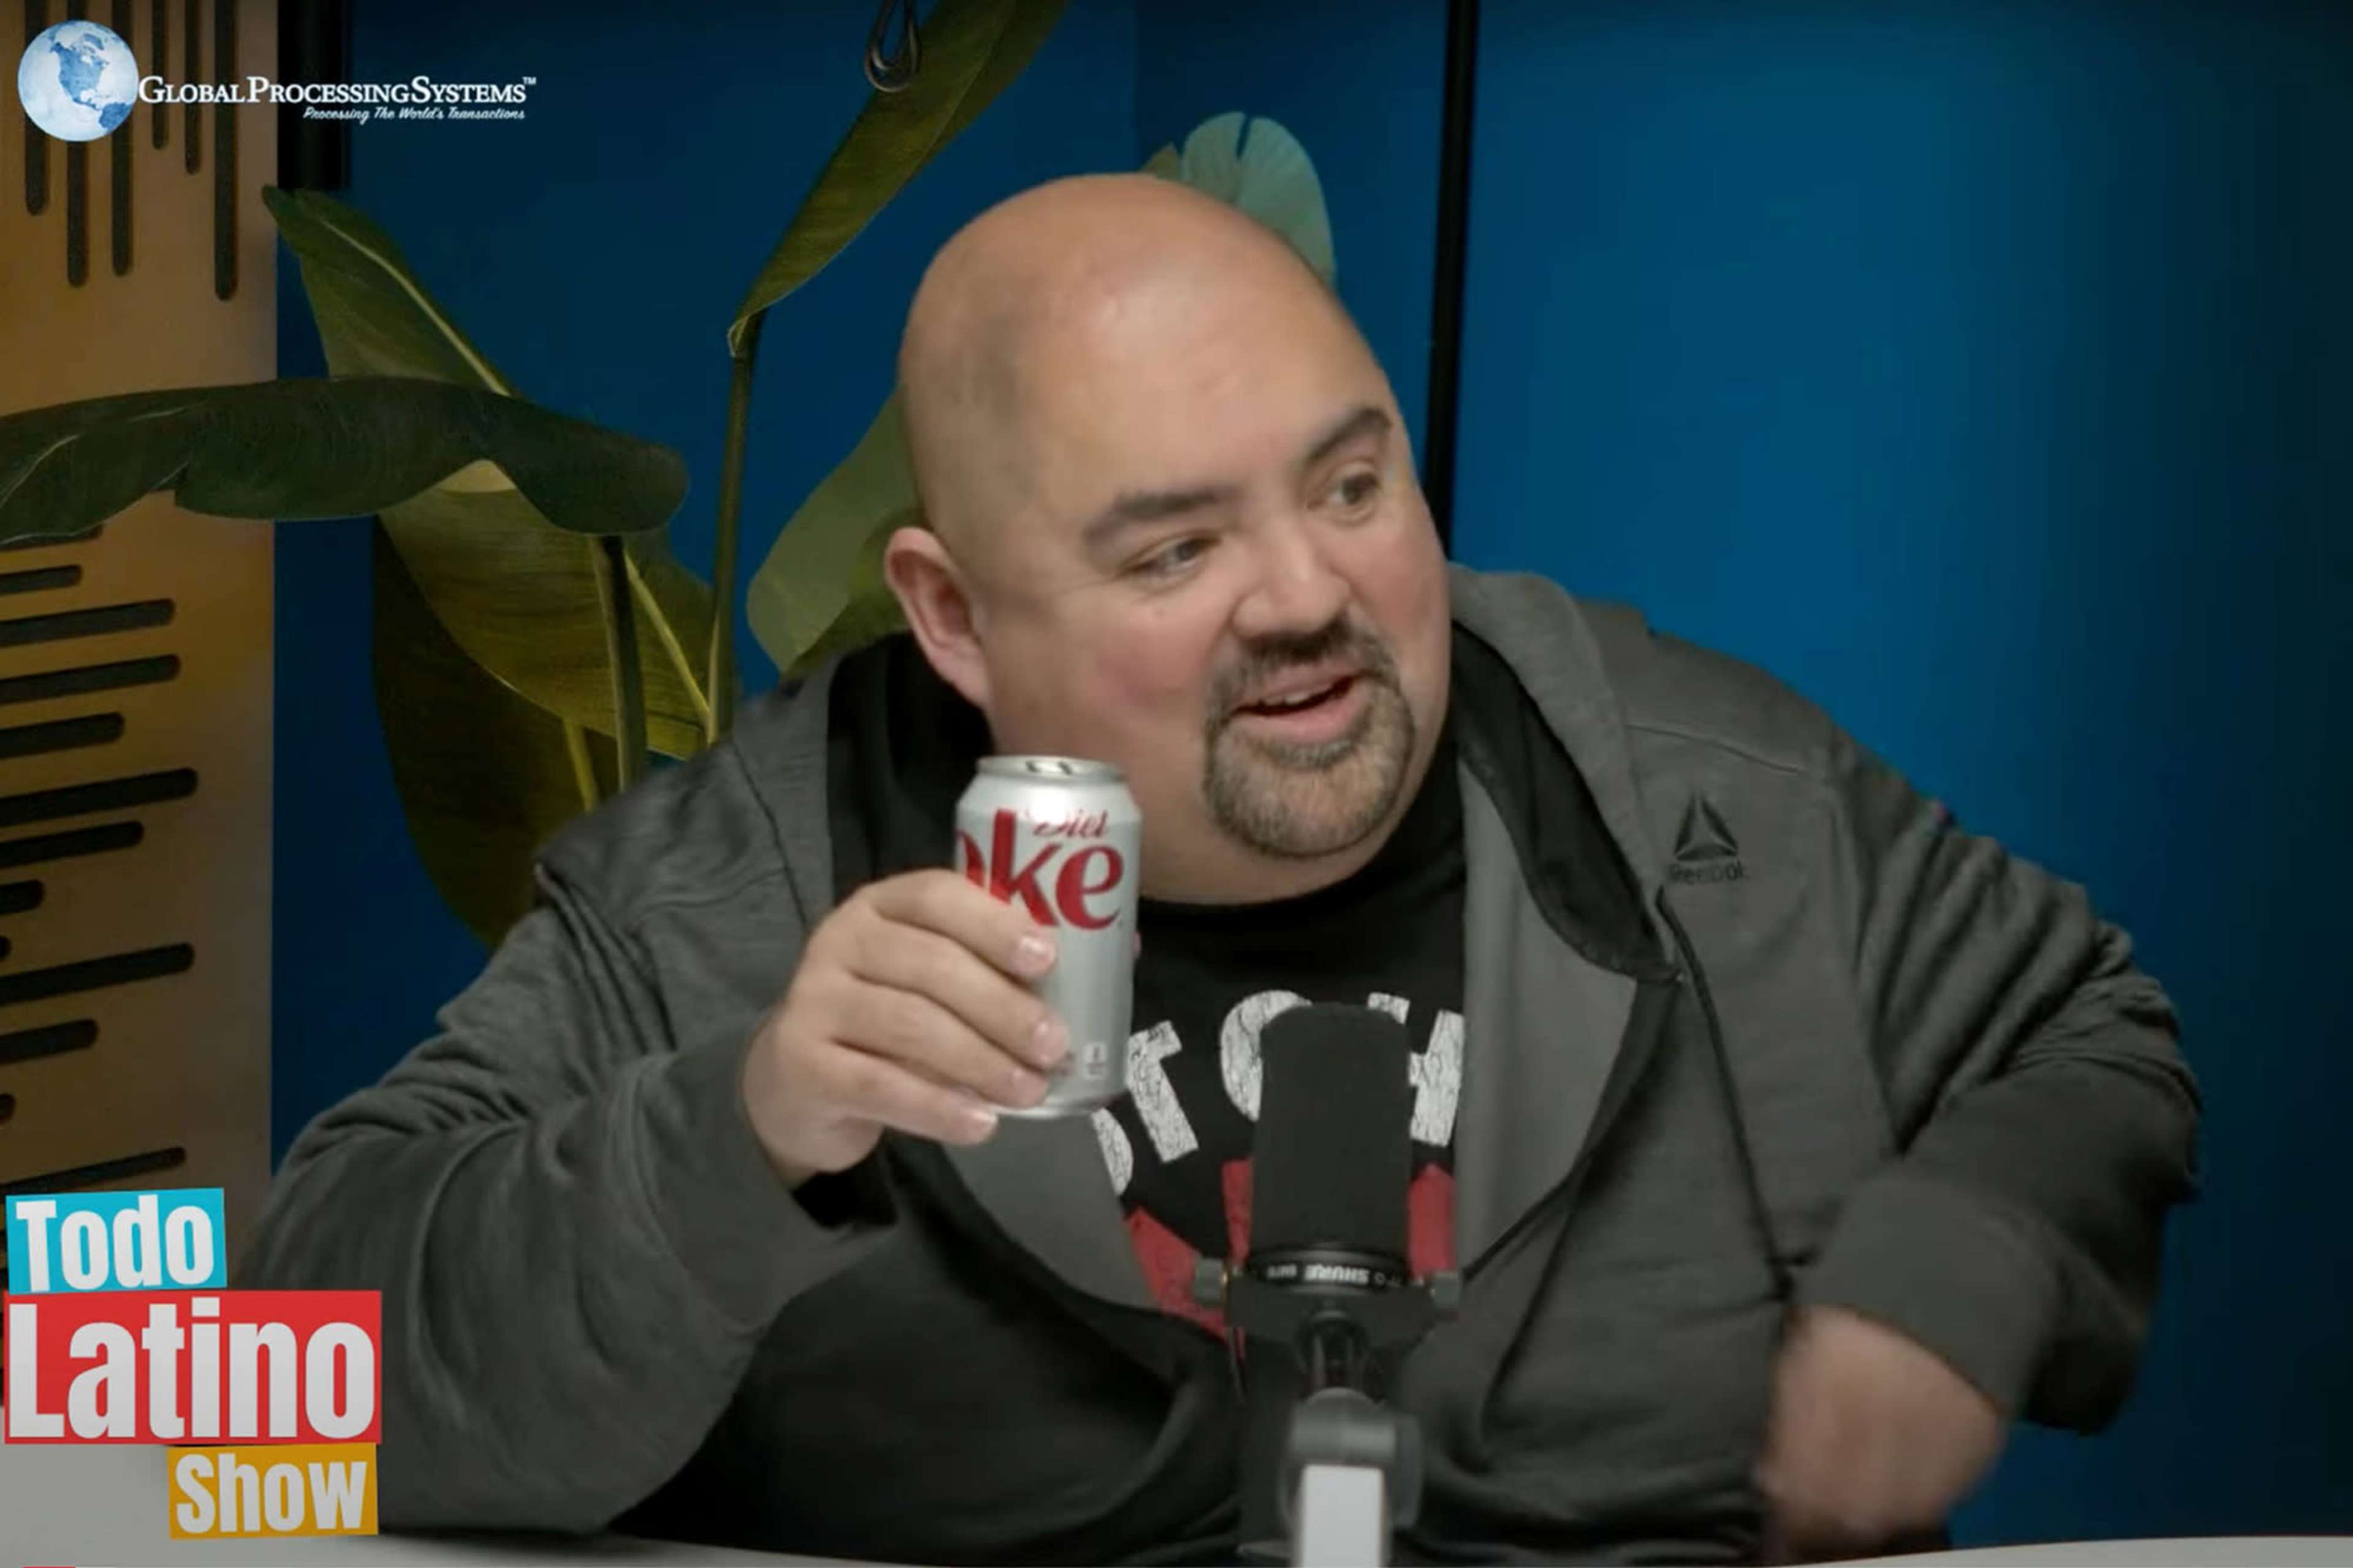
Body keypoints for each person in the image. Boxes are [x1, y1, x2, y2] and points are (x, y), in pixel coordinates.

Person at [237, 173, 2200, 1566]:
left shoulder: (1703, 793)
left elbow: (2079, 1033)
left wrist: (1954, 1269)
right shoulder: (728, 896)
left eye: (1353, 487)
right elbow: (295, 1363)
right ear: (953, 618)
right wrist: (732, 1136)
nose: (1309, 599)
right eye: (1172, 551)